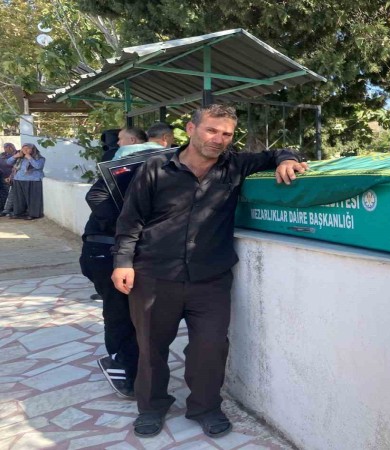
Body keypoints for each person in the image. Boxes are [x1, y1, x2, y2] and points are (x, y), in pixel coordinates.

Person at [111, 104, 308, 439]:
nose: (219, 139)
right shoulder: (156, 168)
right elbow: (131, 219)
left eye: (226, 134)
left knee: (211, 346)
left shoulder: (235, 165)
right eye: (211, 130)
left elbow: (278, 152)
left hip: (210, 278)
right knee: (151, 346)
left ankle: (205, 407)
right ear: (191, 129)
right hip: (154, 274)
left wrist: (287, 160)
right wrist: (122, 262)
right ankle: (152, 406)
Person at [80, 140, 140, 399]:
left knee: (132, 315)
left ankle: (131, 368)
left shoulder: (158, 163)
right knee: (121, 314)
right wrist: (127, 221)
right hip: (104, 251)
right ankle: (123, 369)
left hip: (116, 251)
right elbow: (94, 196)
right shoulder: (127, 165)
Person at [6, 143, 45, 220]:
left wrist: (30, 158)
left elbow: (38, 166)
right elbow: (8, 162)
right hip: (18, 179)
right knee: (19, 199)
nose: (25, 150)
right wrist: (15, 156)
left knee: (33, 198)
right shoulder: (20, 157)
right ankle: (19, 213)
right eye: (23, 148)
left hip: (33, 180)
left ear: (33, 150)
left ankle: (33, 214)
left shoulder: (40, 158)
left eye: (27, 148)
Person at [0, 143, 17, 215]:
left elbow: (15, 166)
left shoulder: (17, 154)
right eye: (4, 148)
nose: (5, 149)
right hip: (2, 177)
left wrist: (10, 176)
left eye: (6, 147)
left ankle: (11, 209)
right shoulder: (2, 155)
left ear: (10, 147)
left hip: (12, 177)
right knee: (4, 193)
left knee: (11, 194)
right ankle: (4, 209)